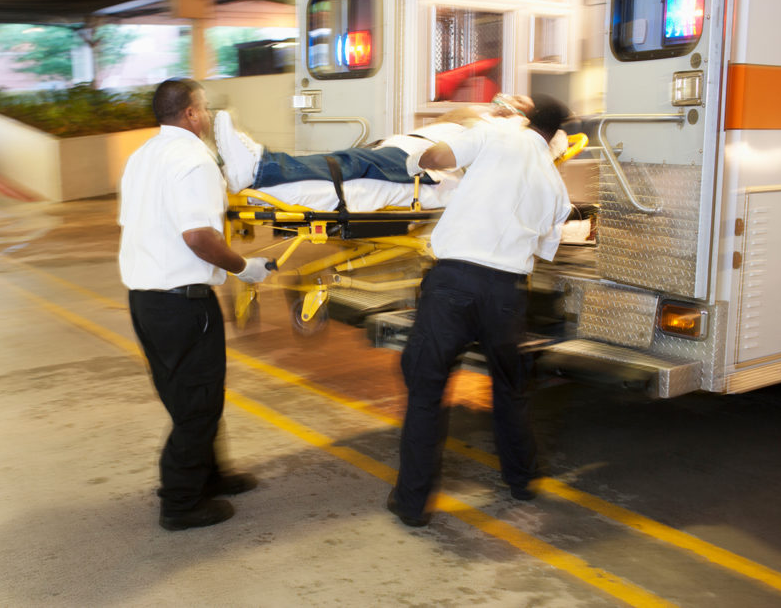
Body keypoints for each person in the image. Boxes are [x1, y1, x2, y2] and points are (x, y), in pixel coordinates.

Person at [386, 94, 573, 527]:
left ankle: (412, 504)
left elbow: (437, 156)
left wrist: (418, 159)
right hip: (507, 294)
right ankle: (522, 481)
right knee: (511, 389)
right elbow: (544, 248)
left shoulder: (495, 135)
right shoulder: (556, 187)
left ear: (526, 119)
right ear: (554, 135)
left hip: (453, 284)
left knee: (427, 392)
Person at [118, 78, 271, 531]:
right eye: (203, 108)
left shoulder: (143, 156)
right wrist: (244, 268)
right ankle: (181, 502)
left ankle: (211, 475)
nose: (207, 116)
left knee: (189, 396)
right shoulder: (194, 160)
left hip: (146, 301)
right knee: (198, 404)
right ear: (190, 113)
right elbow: (198, 236)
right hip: (182, 304)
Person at [213, 94, 534, 194]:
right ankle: (255, 164)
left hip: (420, 163)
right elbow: (455, 118)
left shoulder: (508, 132)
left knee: (349, 162)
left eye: (517, 101)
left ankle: (260, 166)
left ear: (523, 116)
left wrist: (506, 118)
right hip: (404, 146)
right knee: (340, 159)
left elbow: (457, 157)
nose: (505, 99)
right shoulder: (477, 117)